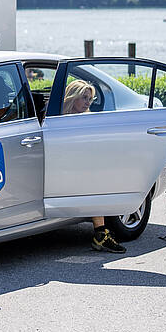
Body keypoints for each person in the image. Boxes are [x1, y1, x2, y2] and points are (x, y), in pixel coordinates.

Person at [63, 80, 127, 253]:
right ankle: (101, 234)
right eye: (84, 97)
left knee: (96, 178)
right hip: (62, 169)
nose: (87, 103)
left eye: (90, 99)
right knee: (94, 181)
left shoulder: (89, 119)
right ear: (72, 97)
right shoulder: (57, 119)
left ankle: (101, 233)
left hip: (80, 169)